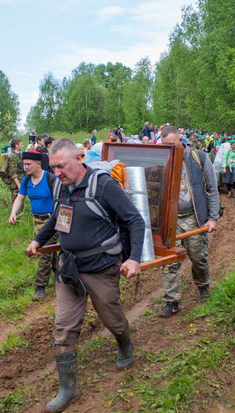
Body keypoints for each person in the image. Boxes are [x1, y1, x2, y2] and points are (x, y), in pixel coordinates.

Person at [26, 138, 145, 412]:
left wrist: (134, 258)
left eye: (61, 166)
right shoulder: (59, 185)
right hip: (70, 269)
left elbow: (134, 221)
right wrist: (38, 241)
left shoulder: (103, 185)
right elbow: (57, 219)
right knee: (63, 327)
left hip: (102, 266)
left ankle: (124, 343)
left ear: (79, 158)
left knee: (111, 316)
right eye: (53, 167)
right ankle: (68, 388)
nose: (57, 173)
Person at [158, 126, 220, 317]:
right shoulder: (162, 160)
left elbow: (212, 188)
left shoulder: (198, 158)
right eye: (164, 145)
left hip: (194, 218)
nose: (167, 149)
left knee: (198, 257)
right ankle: (171, 301)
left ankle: (203, 287)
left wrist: (212, 218)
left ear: (179, 140)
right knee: (169, 261)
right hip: (170, 221)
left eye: (170, 144)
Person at [9, 152, 59, 300]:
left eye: (28, 164)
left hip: (51, 222)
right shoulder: (26, 181)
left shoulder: (51, 179)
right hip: (36, 221)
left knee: (43, 251)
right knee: (51, 250)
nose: (25, 167)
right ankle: (61, 275)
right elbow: (19, 198)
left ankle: (40, 287)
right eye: (24, 164)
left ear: (38, 164)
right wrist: (13, 213)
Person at [5, 139, 25, 213]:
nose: (22, 145)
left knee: (21, 203)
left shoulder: (19, 155)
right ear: (16, 146)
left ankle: (18, 218)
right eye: (21, 144)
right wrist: (19, 185)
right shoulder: (13, 157)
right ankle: (15, 219)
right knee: (17, 203)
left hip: (21, 181)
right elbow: (12, 173)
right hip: (16, 184)